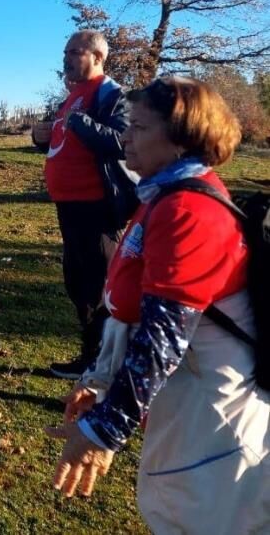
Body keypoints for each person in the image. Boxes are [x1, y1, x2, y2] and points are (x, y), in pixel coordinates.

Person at [46, 76, 269, 534]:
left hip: (216, 424)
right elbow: (128, 307)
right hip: (183, 413)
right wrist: (102, 380)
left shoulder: (190, 212)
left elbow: (161, 341)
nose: (125, 136)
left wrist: (103, 431)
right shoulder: (157, 198)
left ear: (181, 139)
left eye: (140, 128)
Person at [32, 31, 136, 380]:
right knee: (78, 283)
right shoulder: (71, 96)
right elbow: (62, 143)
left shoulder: (112, 94)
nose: (67, 58)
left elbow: (122, 142)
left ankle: (109, 364)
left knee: (101, 283)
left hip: (99, 207)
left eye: (75, 52)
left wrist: (80, 122)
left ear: (98, 56)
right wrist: (40, 138)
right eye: (65, 52)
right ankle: (91, 357)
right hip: (69, 205)